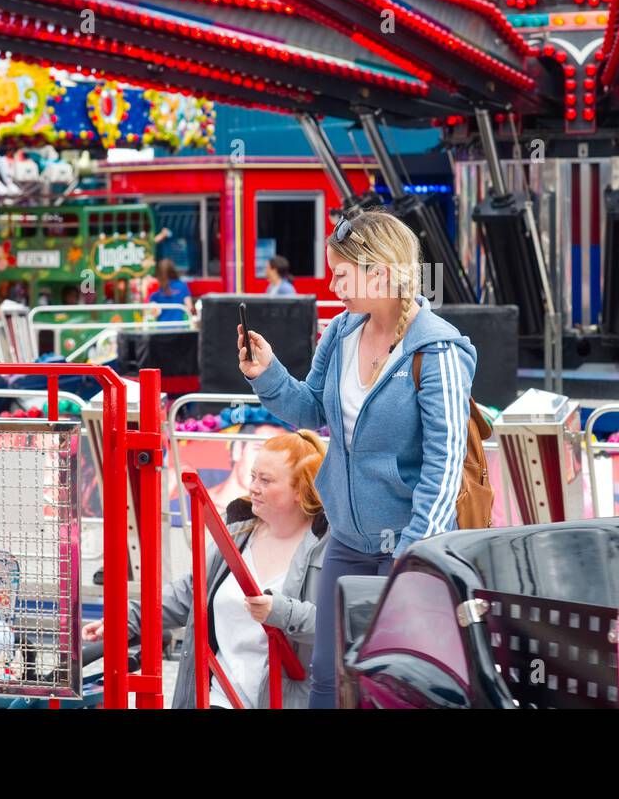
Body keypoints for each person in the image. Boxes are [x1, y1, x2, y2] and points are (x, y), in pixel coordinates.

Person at [238, 209, 476, 708]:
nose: (333, 284)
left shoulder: (439, 351)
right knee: (329, 675)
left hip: (411, 546)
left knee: (394, 681)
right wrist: (268, 374)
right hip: (347, 539)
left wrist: (412, 557)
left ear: (381, 273)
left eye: (342, 274)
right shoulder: (342, 331)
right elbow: (310, 410)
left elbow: (445, 465)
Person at [81, 430, 329, 709]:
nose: (253, 487)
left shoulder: (327, 547)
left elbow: (338, 627)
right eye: (253, 477)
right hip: (218, 698)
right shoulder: (236, 533)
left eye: (266, 480)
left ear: (300, 490)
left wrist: (281, 612)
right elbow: (190, 592)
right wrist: (127, 619)